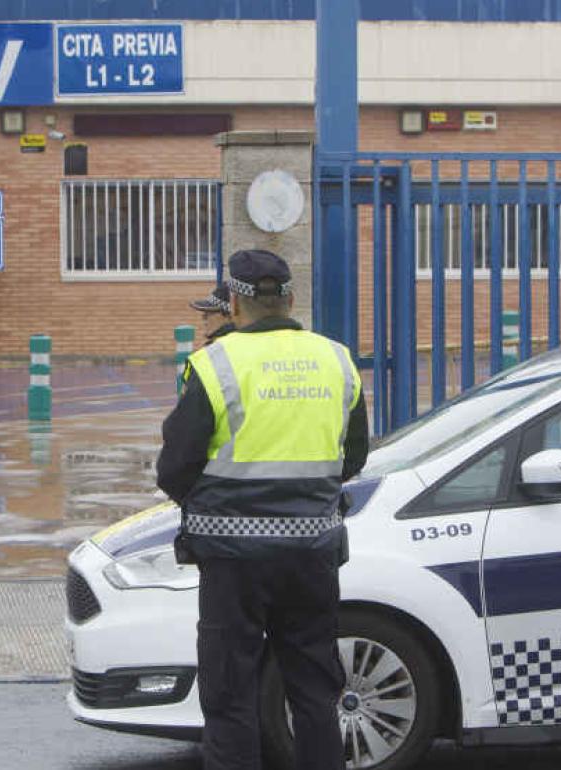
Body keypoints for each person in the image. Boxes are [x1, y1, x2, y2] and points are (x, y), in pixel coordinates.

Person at [156, 249, 369, 770]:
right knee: (316, 696)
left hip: (233, 562)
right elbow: (355, 456)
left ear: (231, 301)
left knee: (231, 699)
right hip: (311, 557)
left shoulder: (213, 365)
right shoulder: (337, 360)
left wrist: (219, 502)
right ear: (291, 299)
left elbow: (175, 468)